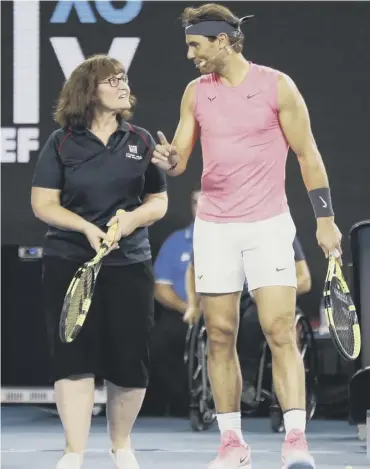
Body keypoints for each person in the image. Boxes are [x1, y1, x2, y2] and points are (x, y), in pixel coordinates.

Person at [151, 4, 342, 469]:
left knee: (280, 330)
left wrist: (324, 219)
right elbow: (180, 158)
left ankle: (295, 440)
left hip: (269, 225)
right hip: (215, 227)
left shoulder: (277, 85)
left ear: (223, 40)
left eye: (196, 45)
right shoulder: (195, 93)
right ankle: (232, 443)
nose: (190, 55)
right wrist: (168, 160)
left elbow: (308, 153)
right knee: (219, 334)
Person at [31, 54, 168, 469]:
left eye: (125, 78)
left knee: (129, 358)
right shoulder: (61, 142)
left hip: (129, 263)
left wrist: (129, 222)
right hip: (68, 261)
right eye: (113, 80)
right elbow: (43, 204)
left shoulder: (141, 140)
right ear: (90, 91)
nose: (123, 85)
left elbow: (157, 201)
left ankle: (121, 446)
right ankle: (74, 452)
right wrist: (85, 228)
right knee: (73, 357)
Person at [185, 235, 312, 408]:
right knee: (218, 321)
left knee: (253, 318)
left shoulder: (278, 228)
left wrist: (278, 291)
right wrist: (193, 303)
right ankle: (214, 389)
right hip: (233, 294)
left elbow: (304, 279)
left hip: (269, 296)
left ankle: (247, 380)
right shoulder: (216, 229)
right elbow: (193, 269)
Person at [150, 187, 200, 415]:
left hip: (227, 311)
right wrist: (187, 308)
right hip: (183, 312)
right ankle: (183, 401)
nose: (200, 208)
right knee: (161, 340)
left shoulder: (234, 238)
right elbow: (160, 288)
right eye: (195, 203)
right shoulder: (176, 241)